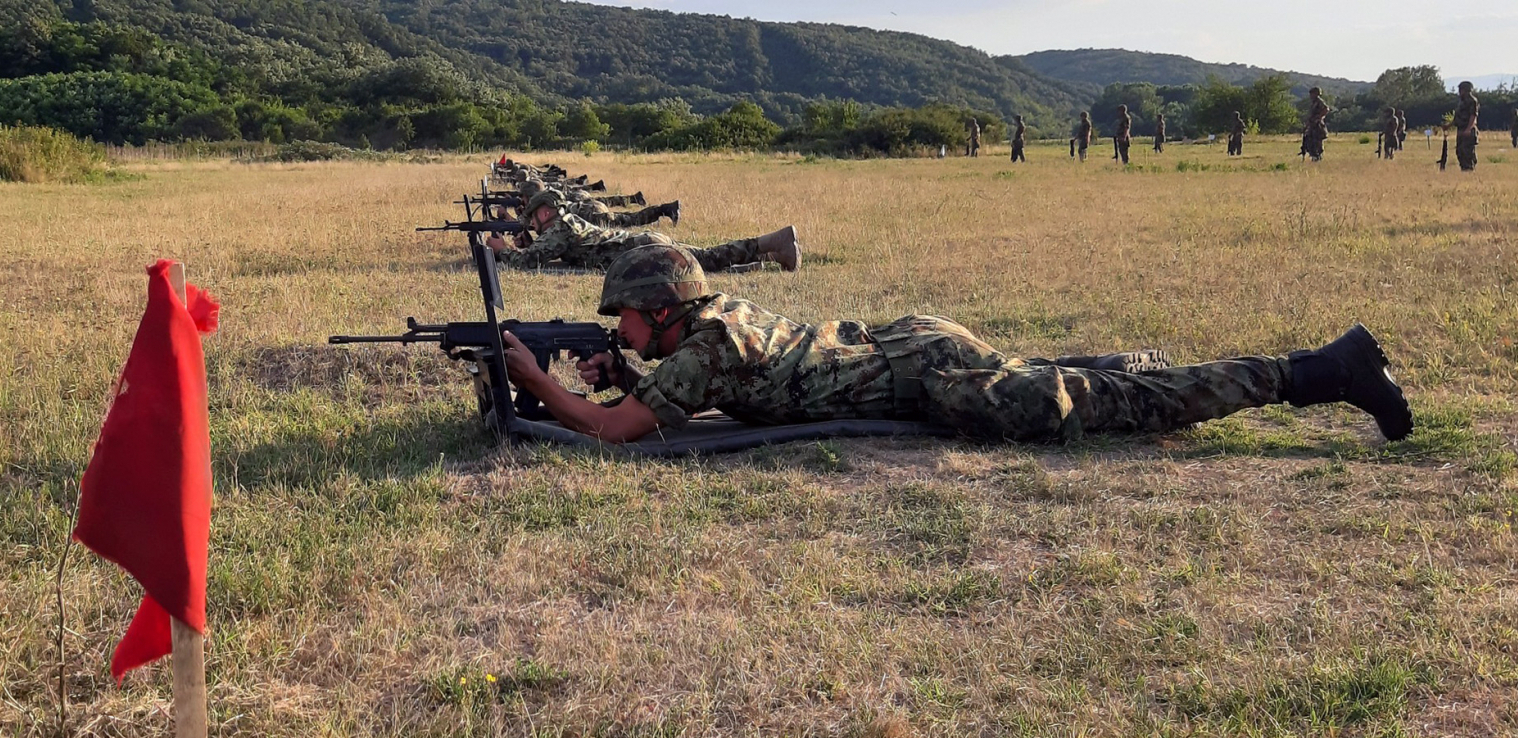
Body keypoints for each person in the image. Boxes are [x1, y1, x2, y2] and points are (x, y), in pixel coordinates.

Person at [496, 244, 1415, 445]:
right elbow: (668, 383)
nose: (614, 328)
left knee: (1105, 413)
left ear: (662, 312)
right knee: (1069, 381)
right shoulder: (705, 323)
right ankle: (1112, 362)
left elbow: (615, 435)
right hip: (906, 346)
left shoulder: (700, 349)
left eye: (624, 318)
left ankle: (1320, 370)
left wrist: (539, 379)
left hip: (928, 375)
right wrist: (621, 369)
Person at [494, 191, 799, 272]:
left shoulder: (559, 228)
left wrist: (501, 250)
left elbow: (529, 262)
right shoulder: (565, 224)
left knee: (705, 261)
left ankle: (771, 242)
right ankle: (771, 255)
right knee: (704, 259)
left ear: (545, 212)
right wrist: (527, 243)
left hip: (642, 251)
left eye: (533, 217)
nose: (531, 222)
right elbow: (544, 251)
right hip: (642, 244)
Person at [517, 180, 677, 228]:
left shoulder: (538, 203)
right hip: (586, 208)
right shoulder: (544, 199)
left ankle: (664, 209)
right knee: (625, 217)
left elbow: (526, 223)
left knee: (628, 220)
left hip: (588, 213)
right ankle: (641, 200)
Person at [1453, 81, 1480, 171]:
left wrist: (1469, 129)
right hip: (1461, 130)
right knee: (1460, 152)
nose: (1460, 92)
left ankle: (1469, 170)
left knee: (1467, 152)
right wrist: (1449, 125)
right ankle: (1464, 170)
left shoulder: (1472, 101)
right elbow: (1457, 116)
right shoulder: (1461, 101)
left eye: (1461, 90)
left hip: (1468, 131)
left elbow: (1473, 116)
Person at [1302, 87, 1331, 161]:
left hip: (1317, 125)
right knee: (1310, 141)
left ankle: (1317, 156)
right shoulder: (1314, 102)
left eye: (1312, 94)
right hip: (1312, 125)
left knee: (1317, 141)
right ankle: (1314, 156)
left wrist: (1319, 118)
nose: (1310, 95)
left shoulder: (1319, 101)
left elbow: (1326, 109)